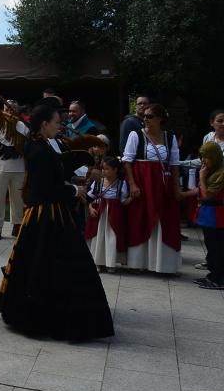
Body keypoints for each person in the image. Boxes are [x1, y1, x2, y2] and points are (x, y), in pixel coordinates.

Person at [0, 104, 114, 340]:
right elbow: (43, 189)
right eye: (57, 122)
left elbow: (57, 172)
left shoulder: (51, 144)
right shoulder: (36, 149)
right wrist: (72, 190)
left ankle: (67, 314)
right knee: (44, 264)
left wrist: (77, 176)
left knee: (63, 264)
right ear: (44, 124)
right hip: (43, 215)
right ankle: (44, 317)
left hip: (56, 213)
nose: (61, 125)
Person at [123, 103, 181, 274]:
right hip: (143, 182)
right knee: (141, 218)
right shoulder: (136, 135)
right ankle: (138, 263)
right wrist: (132, 184)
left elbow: (175, 164)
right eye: (144, 116)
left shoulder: (169, 137)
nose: (145, 119)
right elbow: (127, 162)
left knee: (165, 219)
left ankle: (164, 265)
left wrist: (176, 189)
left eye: (149, 116)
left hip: (163, 184)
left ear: (160, 119)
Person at [0, 100, 28, 240]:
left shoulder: (23, 126)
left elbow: (27, 146)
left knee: (19, 199)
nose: (10, 111)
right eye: (7, 108)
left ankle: (18, 224)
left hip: (19, 168)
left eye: (12, 109)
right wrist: (10, 150)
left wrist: (18, 149)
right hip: (0, 167)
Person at [85, 157, 132, 272]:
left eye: (107, 169)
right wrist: (90, 209)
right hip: (100, 215)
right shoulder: (98, 183)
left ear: (115, 170)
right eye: (103, 169)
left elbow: (123, 201)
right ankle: (98, 262)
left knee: (112, 238)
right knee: (98, 238)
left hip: (114, 215)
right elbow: (89, 199)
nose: (104, 171)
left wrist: (132, 198)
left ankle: (110, 263)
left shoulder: (122, 184)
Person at [194, 142, 224, 289]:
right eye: (202, 157)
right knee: (211, 246)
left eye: (207, 157)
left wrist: (201, 177)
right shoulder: (212, 171)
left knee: (217, 247)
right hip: (209, 215)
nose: (204, 161)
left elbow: (208, 195)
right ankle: (212, 275)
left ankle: (218, 279)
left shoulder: (220, 173)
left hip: (218, 216)